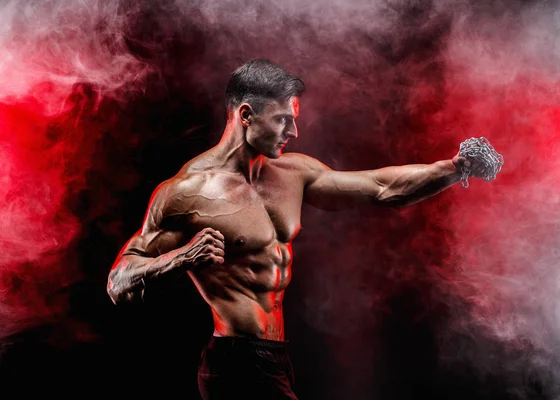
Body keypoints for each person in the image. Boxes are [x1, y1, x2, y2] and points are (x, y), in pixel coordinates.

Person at [106, 59, 490, 399]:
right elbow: (118, 281)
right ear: (245, 115)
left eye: (295, 119)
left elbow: (381, 188)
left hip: (276, 357)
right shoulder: (186, 191)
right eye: (283, 120)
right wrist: (179, 258)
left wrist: (457, 167)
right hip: (235, 363)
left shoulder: (294, 173)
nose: (294, 132)